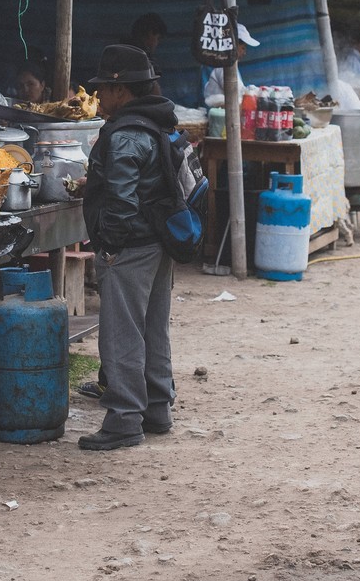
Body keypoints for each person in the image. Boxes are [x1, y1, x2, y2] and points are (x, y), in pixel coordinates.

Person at [78, 45, 180, 451]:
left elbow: (122, 200)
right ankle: (156, 409)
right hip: (157, 241)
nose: (98, 95)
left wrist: (111, 246)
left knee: (121, 334)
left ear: (121, 90)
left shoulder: (124, 134)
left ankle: (123, 419)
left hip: (131, 246)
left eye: (103, 88)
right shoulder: (156, 122)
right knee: (153, 328)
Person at [202, 24, 259, 107]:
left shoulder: (230, 65)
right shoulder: (223, 67)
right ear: (234, 45)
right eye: (243, 48)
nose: (244, 53)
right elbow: (236, 93)